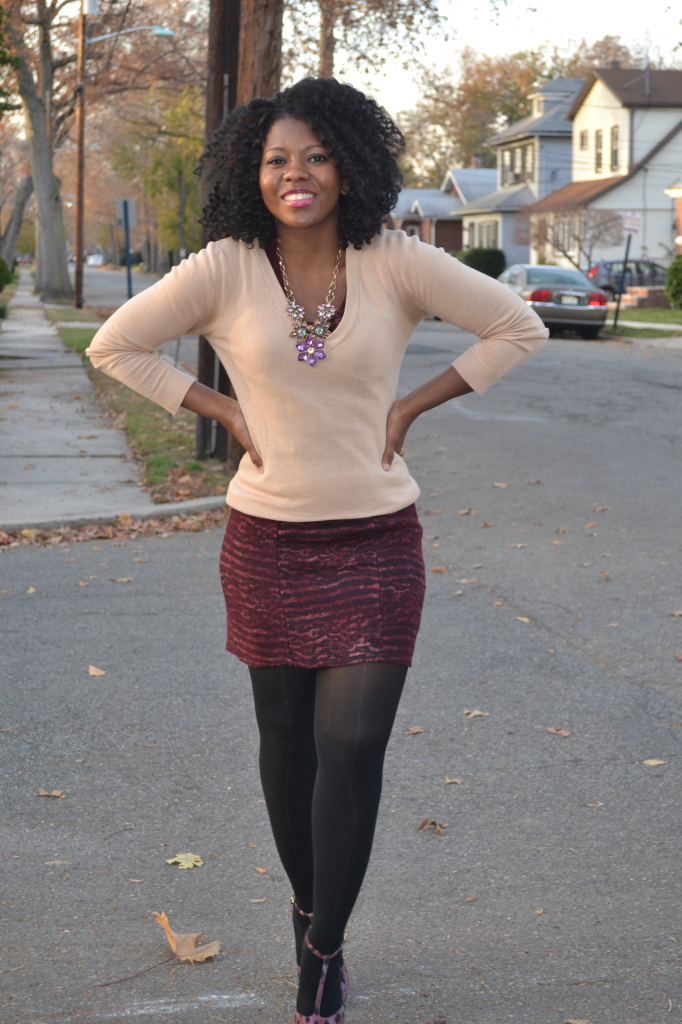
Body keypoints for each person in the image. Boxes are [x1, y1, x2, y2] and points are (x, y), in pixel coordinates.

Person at [86, 77, 547, 1024]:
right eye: (276, 160)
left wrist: (414, 405)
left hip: (378, 541)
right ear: (252, 174)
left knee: (353, 743)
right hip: (267, 542)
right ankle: (308, 909)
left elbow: (517, 324)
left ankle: (323, 951)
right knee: (288, 743)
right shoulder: (223, 266)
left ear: (351, 162)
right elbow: (116, 345)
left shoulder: (394, 260)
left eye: (316, 155)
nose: (296, 175)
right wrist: (217, 409)